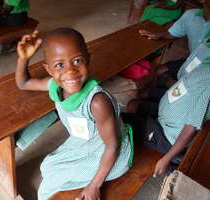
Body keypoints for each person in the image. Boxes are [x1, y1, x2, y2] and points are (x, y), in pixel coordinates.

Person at [15, 28, 133, 200]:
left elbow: (112, 146)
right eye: (60, 65)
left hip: (109, 152)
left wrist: (94, 186)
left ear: (88, 59)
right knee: (48, 166)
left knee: (48, 187)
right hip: (87, 141)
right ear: (48, 69)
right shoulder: (55, 85)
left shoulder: (97, 102)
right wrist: (23, 59)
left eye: (77, 61)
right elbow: (23, 83)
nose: (70, 71)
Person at [123, 65, 210, 177]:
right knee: (133, 105)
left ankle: (173, 156)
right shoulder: (206, 68)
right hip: (165, 115)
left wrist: (166, 158)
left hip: (167, 134)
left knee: (122, 123)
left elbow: (190, 127)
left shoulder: (207, 86)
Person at [139, 0, 210, 84]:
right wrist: (160, 35)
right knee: (158, 71)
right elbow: (172, 33)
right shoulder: (191, 15)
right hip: (192, 61)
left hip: (206, 68)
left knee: (184, 85)